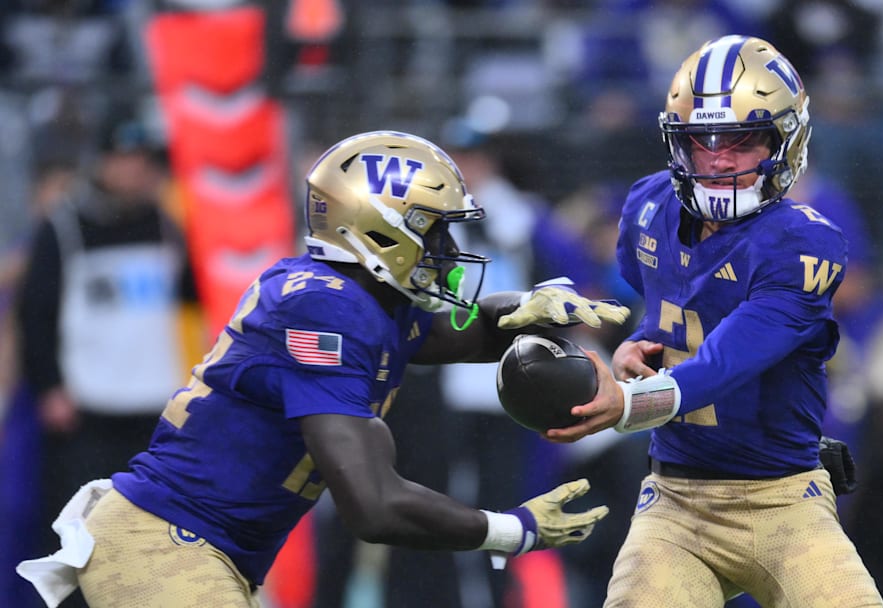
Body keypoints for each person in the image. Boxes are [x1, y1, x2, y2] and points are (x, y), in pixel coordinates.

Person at [17, 131, 623, 608]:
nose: (446, 253)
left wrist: (532, 308)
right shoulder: (326, 307)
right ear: (380, 232)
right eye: (433, 233)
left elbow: (456, 335)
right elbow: (374, 505)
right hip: (168, 544)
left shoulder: (361, 300)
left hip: (202, 547)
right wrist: (509, 529)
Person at [545, 35, 883, 607]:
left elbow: (731, 357)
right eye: (703, 141)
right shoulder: (648, 207)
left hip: (784, 502)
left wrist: (629, 404)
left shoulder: (803, 240)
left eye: (744, 139)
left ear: (787, 140)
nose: (721, 158)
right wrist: (642, 340)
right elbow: (674, 312)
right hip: (677, 505)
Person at [14, 111, 199, 608]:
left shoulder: (166, 226)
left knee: (149, 544)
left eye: (144, 162)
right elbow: (36, 313)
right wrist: (49, 387)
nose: (136, 171)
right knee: (77, 547)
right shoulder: (66, 226)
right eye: (125, 160)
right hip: (85, 415)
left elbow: (200, 298)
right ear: (102, 164)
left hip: (153, 415)